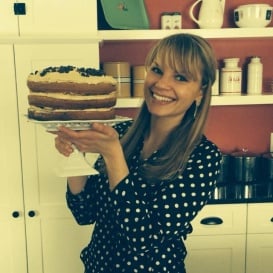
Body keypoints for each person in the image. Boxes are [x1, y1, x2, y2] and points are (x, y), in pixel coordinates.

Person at [54, 33, 221, 273]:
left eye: (181, 77)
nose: (161, 84)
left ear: (201, 91)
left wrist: (114, 157)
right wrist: (73, 153)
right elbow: (85, 213)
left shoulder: (203, 157)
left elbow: (144, 239)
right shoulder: (121, 133)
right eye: (156, 70)